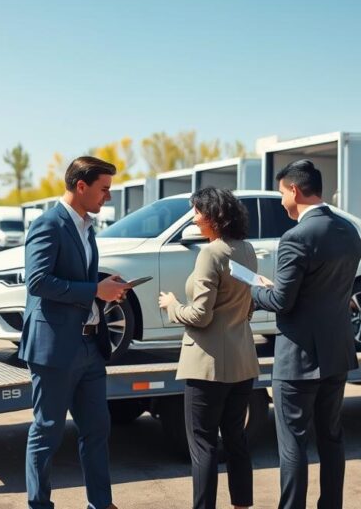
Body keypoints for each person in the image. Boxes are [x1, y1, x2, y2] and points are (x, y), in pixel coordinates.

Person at [251, 159, 361, 509]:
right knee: (332, 438)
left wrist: (254, 290)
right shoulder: (349, 230)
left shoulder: (296, 237)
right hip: (337, 352)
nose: (282, 200)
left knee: (293, 445)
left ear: (295, 190)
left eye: (282, 193)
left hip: (298, 358)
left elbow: (281, 302)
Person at [20, 156, 128, 509]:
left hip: (91, 345)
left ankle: (101, 503)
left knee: (97, 430)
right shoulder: (48, 224)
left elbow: (76, 276)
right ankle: (39, 505)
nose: (108, 197)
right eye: (104, 189)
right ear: (81, 186)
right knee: (47, 431)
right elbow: (38, 282)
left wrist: (104, 286)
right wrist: (94, 290)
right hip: (54, 348)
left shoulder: (87, 227)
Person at [158, 187, 259, 509]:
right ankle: (241, 505)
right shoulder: (246, 249)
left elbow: (200, 316)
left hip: (207, 365)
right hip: (242, 361)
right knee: (236, 440)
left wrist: (172, 305)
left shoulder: (210, 254)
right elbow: (248, 304)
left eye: (197, 211)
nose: (193, 218)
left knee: (203, 446)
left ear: (214, 216)